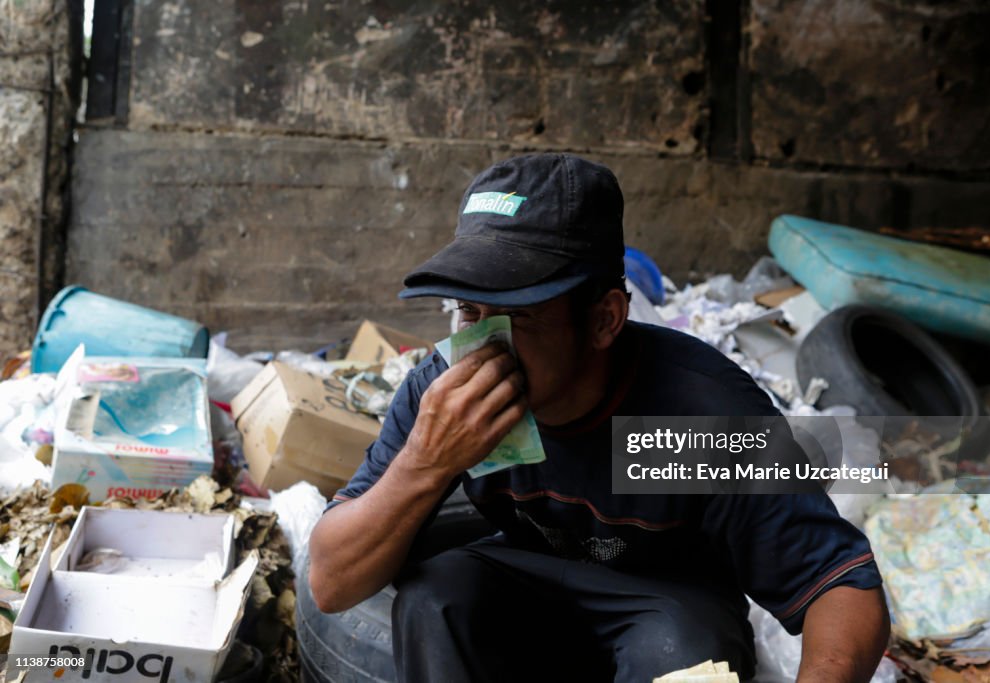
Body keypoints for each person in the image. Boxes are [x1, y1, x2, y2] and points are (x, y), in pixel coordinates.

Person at [309, 154, 890, 682]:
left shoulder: (700, 416)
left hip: (668, 605)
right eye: (468, 312)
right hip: (525, 581)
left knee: (680, 649)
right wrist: (425, 463)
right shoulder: (443, 391)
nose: (484, 346)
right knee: (435, 595)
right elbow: (332, 584)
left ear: (605, 319)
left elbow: (843, 588)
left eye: (516, 315)